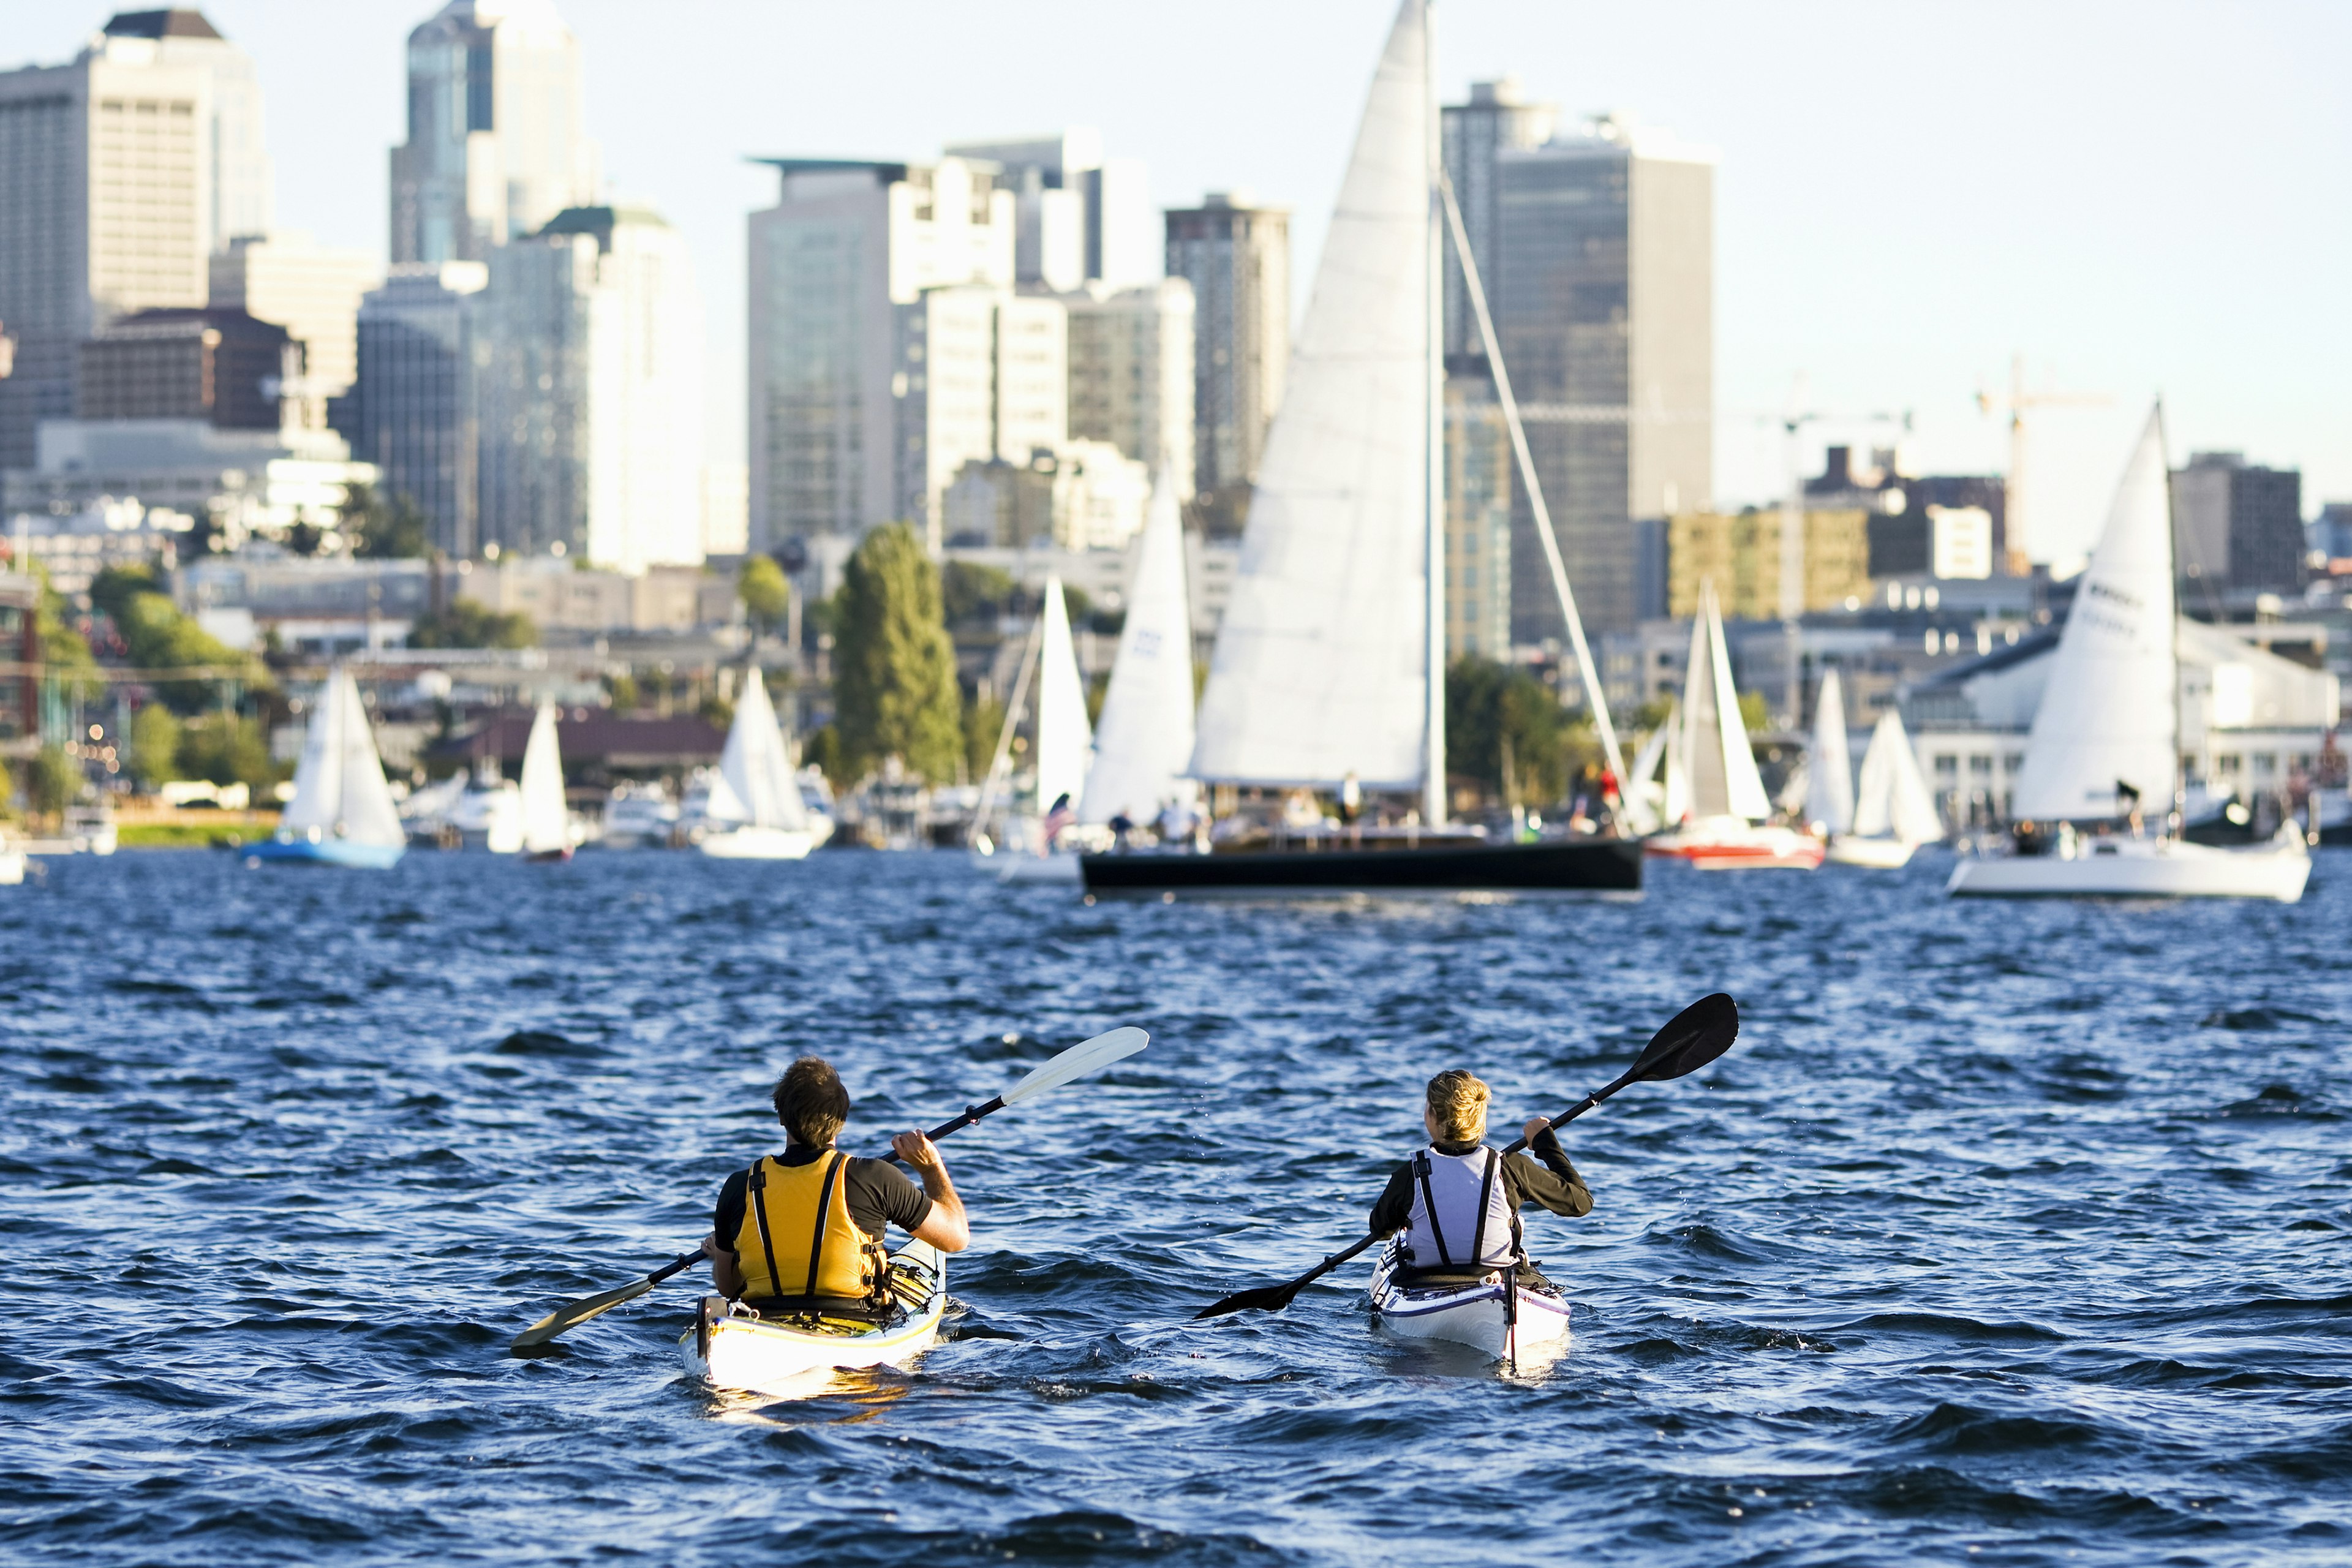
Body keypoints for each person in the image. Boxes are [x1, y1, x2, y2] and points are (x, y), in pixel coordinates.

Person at [703, 1057, 970, 1317]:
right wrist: (930, 1167)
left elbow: (728, 1287)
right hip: (857, 1323)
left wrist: (718, 1255)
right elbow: (956, 1238)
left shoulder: (739, 1185)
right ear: (840, 1120)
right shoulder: (874, 1177)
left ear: (781, 1117)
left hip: (766, 1320)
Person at [1368, 1068, 1590, 1283]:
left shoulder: (1411, 1174)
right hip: (1496, 1277)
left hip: (1428, 1280)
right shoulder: (1510, 1167)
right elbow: (1580, 1202)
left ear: (1432, 1116)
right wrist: (1545, 1143)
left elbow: (1380, 1229)